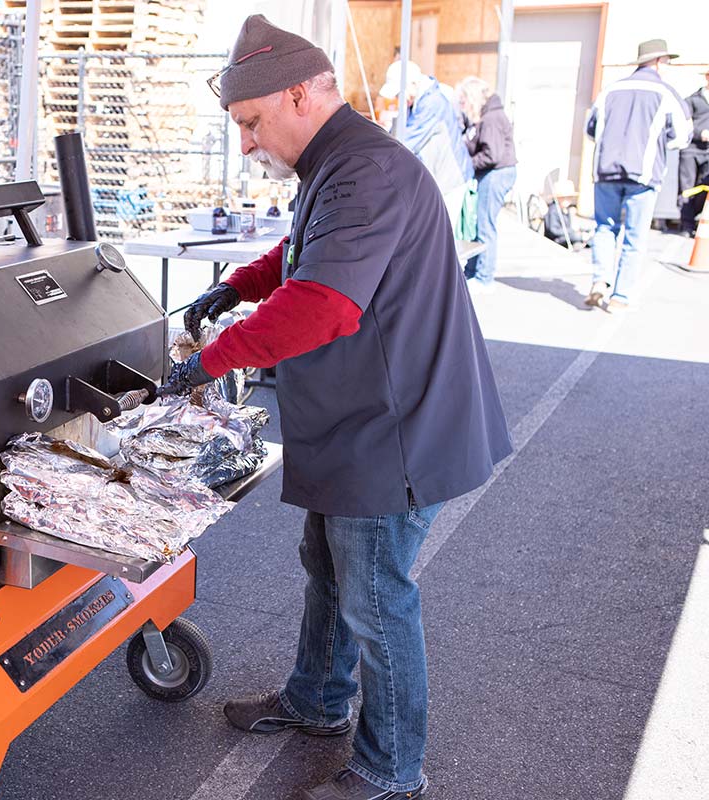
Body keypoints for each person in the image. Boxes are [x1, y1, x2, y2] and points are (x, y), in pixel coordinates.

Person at [160, 15, 511, 800]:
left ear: (296, 96)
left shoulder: (364, 170)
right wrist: (240, 283)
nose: (246, 143)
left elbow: (319, 304)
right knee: (328, 568)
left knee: (377, 600)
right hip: (361, 421)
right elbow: (302, 251)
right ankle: (317, 701)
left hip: (395, 428)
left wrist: (207, 363)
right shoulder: (337, 162)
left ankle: (392, 772)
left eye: (250, 124)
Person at [584, 38, 692, 311]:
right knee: (634, 236)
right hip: (642, 175)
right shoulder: (665, 93)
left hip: (606, 170)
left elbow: (590, 129)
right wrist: (657, 144)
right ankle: (620, 296)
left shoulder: (610, 90)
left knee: (604, 227)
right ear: (658, 61)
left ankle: (599, 281)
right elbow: (682, 136)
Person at [377, 60, 473, 235]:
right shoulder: (416, 101)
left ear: (413, 84)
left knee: (442, 238)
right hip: (437, 178)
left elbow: (405, 143)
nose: (398, 99)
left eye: (400, 93)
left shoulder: (432, 103)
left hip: (450, 180)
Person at [457, 77, 517, 293]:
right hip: (491, 173)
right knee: (479, 224)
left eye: (464, 101)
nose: (462, 106)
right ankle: (473, 272)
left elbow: (492, 154)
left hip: (496, 173)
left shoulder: (491, 118)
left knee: (485, 225)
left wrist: (468, 164)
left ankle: (484, 276)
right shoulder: (485, 117)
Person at [678, 68, 709, 236]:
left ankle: (700, 221)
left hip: (708, 152)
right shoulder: (692, 100)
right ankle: (686, 225)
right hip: (691, 150)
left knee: (704, 188)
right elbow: (683, 123)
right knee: (687, 188)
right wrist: (699, 133)